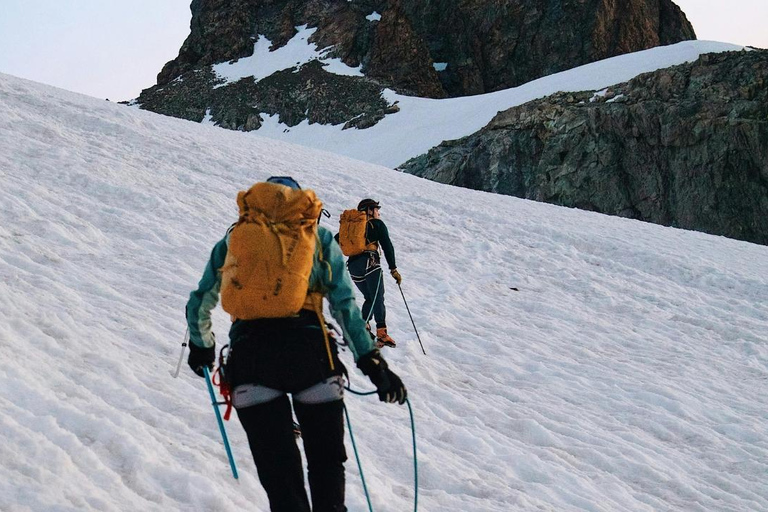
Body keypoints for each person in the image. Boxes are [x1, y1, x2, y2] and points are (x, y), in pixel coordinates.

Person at [185, 176, 407, 512]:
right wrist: (373, 364)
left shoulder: (235, 237)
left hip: (250, 359)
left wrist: (202, 346)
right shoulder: (315, 236)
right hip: (311, 356)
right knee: (326, 466)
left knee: (282, 483)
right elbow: (345, 305)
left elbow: (201, 299)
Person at [336, 199, 401, 348]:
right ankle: (381, 333)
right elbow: (387, 246)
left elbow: (336, 241)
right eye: (377, 209)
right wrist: (394, 269)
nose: (378, 213)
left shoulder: (352, 227)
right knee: (378, 296)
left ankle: (363, 325)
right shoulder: (377, 224)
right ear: (370, 210)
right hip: (370, 262)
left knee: (370, 297)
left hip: (353, 267)